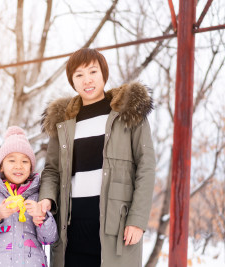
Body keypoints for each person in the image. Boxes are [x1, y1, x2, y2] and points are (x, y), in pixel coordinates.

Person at [35, 48, 156, 267]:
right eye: (79, 75)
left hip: (115, 228)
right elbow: (52, 170)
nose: (87, 80)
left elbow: (146, 167)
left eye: (93, 72)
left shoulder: (128, 113)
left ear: (104, 75)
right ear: (72, 81)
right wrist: (46, 198)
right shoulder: (62, 122)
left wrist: (137, 220)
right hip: (70, 229)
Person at [0, 126, 58, 267]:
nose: (19, 166)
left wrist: (42, 217)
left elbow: (50, 239)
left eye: (24, 161)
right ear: (1, 166)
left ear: (31, 168)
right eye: (11, 160)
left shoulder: (38, 197)